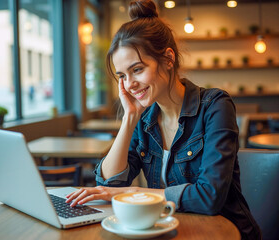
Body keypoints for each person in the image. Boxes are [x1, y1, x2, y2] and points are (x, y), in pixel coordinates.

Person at [66, 0, 261, 239]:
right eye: (122, 76)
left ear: (168, 59)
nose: (129, 84)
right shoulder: (144, 119)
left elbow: (209, 197)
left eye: (137, 69)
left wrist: (140, 192)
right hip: (167, 229)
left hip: (223, 232)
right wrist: (129, 118)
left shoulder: (214, 106)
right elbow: (110, 185)